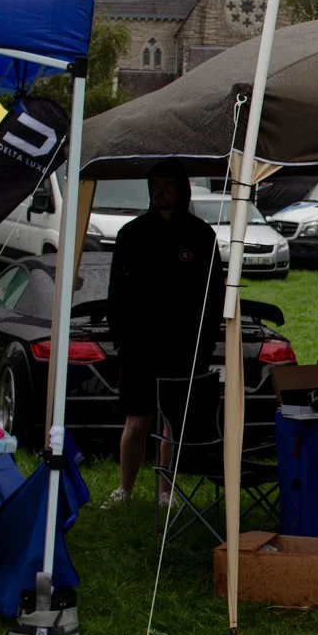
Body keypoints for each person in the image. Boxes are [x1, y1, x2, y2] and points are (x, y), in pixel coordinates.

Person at [102, 159, 223, 508]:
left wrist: (206, 342)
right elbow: (117, 294)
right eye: (156, 184)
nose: (161, 190)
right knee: (137, 419)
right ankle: (124, 489)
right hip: (139, 345)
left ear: (182, 189)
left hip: (184, 346)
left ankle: (164, 491)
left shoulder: (201, 235)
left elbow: (213, 294)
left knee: (172, 421)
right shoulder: (132, 234)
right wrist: (120, 339)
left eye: (168, 184)